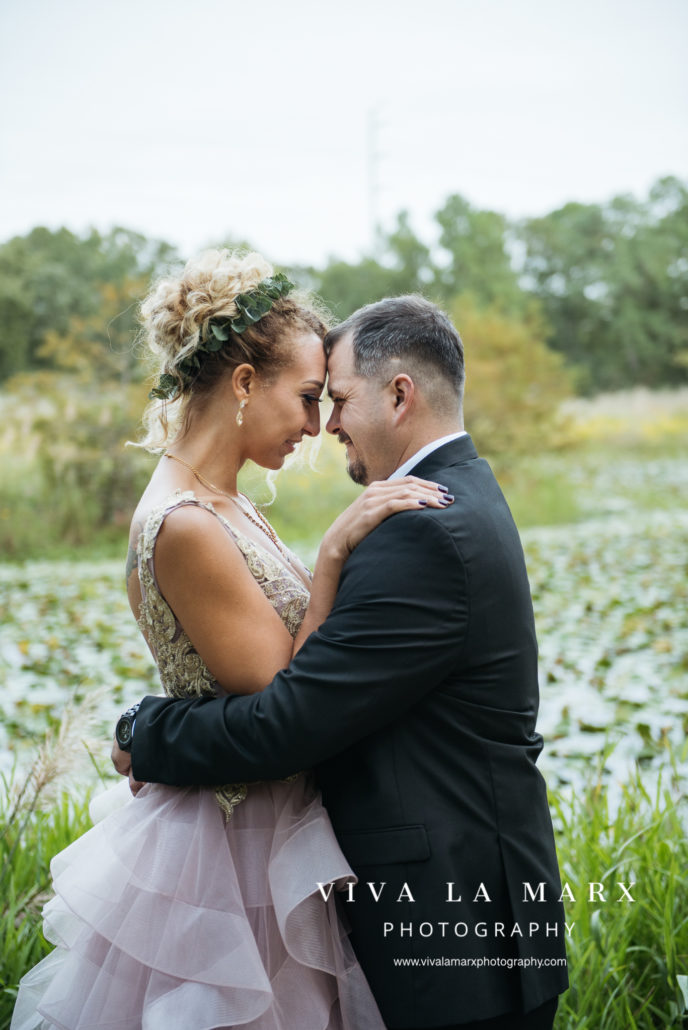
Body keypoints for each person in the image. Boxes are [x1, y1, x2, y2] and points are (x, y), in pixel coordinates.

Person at [12, 251, 451, 1030]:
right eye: (308, 398)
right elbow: (282, 696)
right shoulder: (185, 523)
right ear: (244, 383)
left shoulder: (224, 501)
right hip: (226, 854)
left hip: (267, 824)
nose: (319, 426)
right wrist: (335, 555)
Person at [113, 294, 569, 1030]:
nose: (324, 425)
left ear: (399, 395)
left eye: (337, 399)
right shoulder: (460, 495)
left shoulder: (421, 530)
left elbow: (286, 724)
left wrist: (145, 729)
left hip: (454, 936)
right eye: (312, 399)